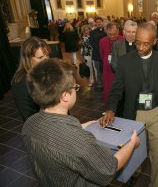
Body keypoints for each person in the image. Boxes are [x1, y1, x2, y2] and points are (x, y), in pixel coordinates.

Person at [23, 58, 140, 186]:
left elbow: (52, 136)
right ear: (65, 96)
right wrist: (132, 142)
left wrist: (81, 125)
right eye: (75, 87)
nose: (76, 90)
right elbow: (110, 167)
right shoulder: (76, 139)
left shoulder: (29, 124)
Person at [101, 23, 158, 187]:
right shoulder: (125, 62)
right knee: (133, 150)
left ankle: (156, 183)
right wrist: (110, 109)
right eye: (138, 42)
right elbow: (117, 89)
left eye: (146, 43)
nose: (140, 47)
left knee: (157, 153)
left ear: (154, 41)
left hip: (156, 112)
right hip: (134, 113)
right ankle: (134, 172)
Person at [11, 37, 50, 121]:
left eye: (47, 55)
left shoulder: (44, 70)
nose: (46, 60)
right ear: (27, 58)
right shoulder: (21, 82)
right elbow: (29, 116)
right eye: (40, 57)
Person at [99, 22, 123, 105]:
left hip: (119, 70)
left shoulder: (122, 40)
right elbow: (102, 56)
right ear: (106, 32)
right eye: (110, 34)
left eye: (114, 34)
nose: (112, 36)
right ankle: (109, 107)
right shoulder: (102, 41)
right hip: (107, 70)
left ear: (118, 31)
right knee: (108, 89)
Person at [90, 17, 107, 90]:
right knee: (98, 70)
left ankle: (106, 83)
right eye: (97, 22)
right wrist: (99, 48)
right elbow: (91, 43)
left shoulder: (106, 31)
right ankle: (100, 84)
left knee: (105, 69)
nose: (98, 23)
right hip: (96, 54)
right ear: (95, 23)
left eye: (100, 22)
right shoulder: (92, 32)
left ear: (102, 22)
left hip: (105, 54)